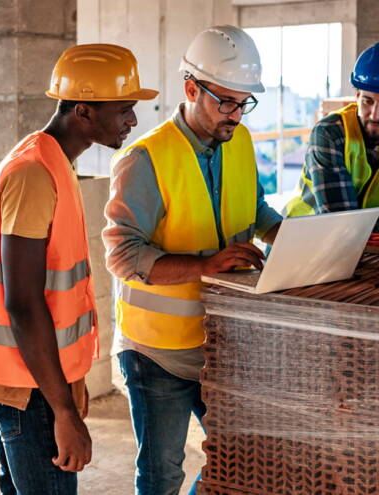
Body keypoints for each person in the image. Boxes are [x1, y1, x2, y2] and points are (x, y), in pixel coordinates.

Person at [0, 44, 157, 495]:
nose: (132, 121)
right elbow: (22, 303)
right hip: (29, 386)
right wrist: (63, 411)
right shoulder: (34, 175)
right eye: (124, 109)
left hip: (35, 376)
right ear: (83, 110)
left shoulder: (52, 162)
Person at [103, 25, 283, 495]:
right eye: (226, 101)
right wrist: (207, 265)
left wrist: (289, 237)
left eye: (245, 102)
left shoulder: (239, 142)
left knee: (241, 459)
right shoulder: (145, 159)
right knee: (162, 475)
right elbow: (124, 255)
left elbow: (256, 209)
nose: (237, 115)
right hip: (156, 352)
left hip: (224, 343)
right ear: (190, 89)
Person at [284, 40, 379, 233]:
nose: (375, 114)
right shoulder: (329, 133)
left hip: (369, 249)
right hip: (301, 242)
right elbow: (341, 222)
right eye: (368, 101)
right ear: (357, 95)